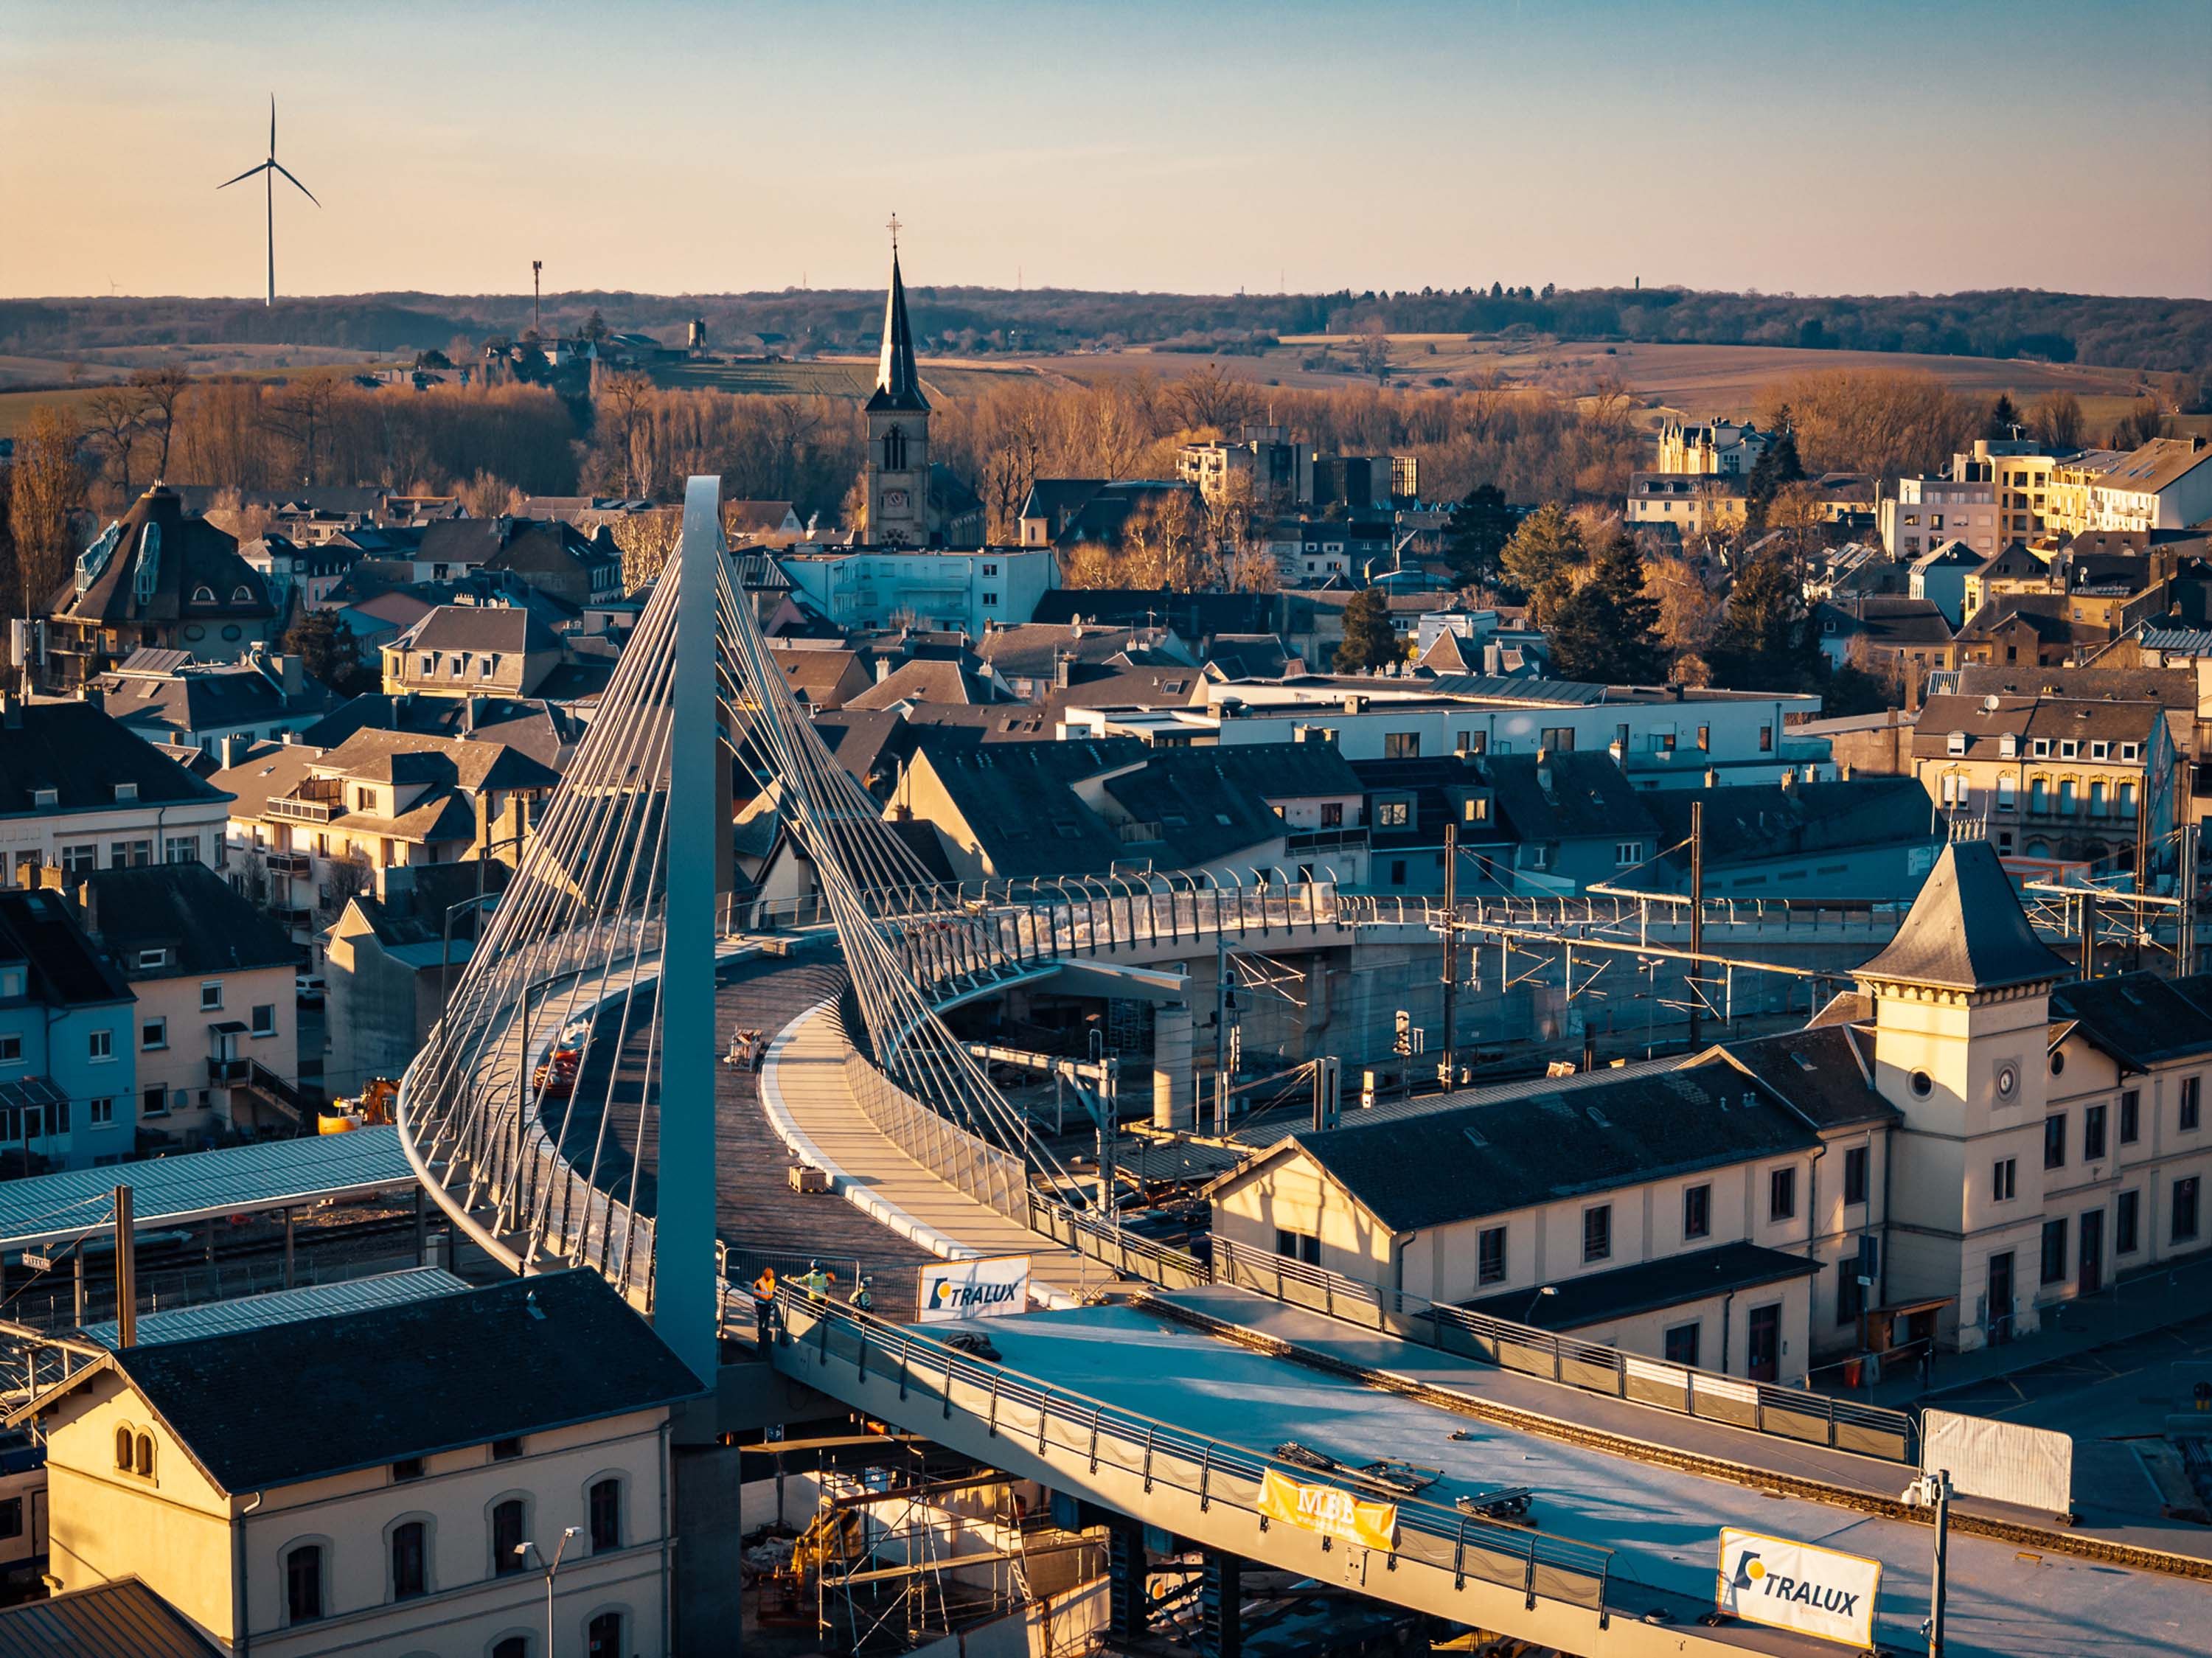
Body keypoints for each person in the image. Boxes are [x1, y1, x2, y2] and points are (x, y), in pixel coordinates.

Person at [751, 1267, 777, 1342]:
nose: (772, 1275)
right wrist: (757, 1305)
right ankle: (759, 1335)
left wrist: (774, 1294)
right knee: (761, 1321)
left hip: (768, 1304)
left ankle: (764, 1335)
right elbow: (756, 1295)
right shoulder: (759, 1283)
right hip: (761, 1305)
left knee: (767, 1321)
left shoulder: (772, 1281)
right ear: (766, 1274)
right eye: (771, 1274)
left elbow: (771, 1292)